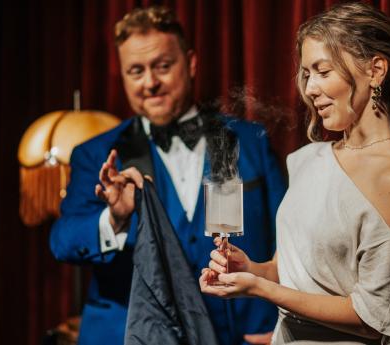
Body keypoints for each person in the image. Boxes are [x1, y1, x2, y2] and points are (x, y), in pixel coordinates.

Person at [49, 6, 286, 345]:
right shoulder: (97, 154)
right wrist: (113, 219)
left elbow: (289, 240)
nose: (150, 83)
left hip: (242, 335)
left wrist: (285, 324)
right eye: (136, 71)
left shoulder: (246, 141)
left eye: (162, 66)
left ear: (190, 64)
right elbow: (63, 241)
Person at [200, 2, 390, 344]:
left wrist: (262, 289)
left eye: (323, 71)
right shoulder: (306, 159)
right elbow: (289, 271)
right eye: (307, 74)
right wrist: (251, 270)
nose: (310, 89)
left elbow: (377, 318)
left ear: (376, 70)